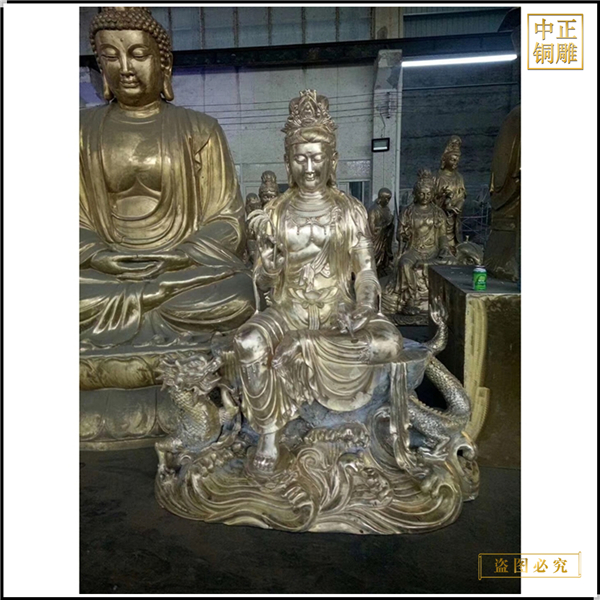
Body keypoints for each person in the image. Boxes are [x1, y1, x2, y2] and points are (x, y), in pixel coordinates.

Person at [233, 90, 403, 472]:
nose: (309, 168)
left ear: (333, 160)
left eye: (316, 158)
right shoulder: (274, 212)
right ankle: (270, 432)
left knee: (389, 342)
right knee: (247, 342)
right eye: (300, 158)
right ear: (287, 162)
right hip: (288, 311)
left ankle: (307, 347)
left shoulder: (351, 211)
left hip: (338, 314)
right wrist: (268, 261)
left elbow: (367, 272)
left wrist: (363, 308)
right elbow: (264, 284)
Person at [80, 7, 254, 348]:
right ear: (100, 66)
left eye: (138, 55)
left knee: (240, 294)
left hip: (180, 270)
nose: (125, 68)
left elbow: (229, 221)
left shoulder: (200, 129)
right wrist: (97, 255)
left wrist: (181, 255)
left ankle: (147, 308)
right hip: (105, 274)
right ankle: (152, 309)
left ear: (164, 63)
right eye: (111, 57)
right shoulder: (80, 131)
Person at [391, 170, 454, 315]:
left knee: (452, 262)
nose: (425, 197)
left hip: (433, 250)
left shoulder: (438, 213)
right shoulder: (408, 212)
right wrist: (403, 235)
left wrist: (444, 248)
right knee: (404, 264)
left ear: (432, 194)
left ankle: (443, 299)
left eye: (428, 194)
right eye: (421, 194)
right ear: (415, 194)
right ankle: (412, 299)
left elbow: (442, 235)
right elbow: (399, 234)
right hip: (414, 250)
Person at [434, 136, 466, 251]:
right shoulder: (437, 178)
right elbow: (431, 199)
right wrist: (443, 200)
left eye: (457, 160)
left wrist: (458, 206)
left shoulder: (459, 177)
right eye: (452, 160)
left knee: (453, 245)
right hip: (440, 217)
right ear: (445, 160)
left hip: (454, 218)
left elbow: (462, 195)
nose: (455, 163)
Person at [368, 187, 395, 276]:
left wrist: (390, 224)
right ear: (380, 198)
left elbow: (389, 220)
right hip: (377, 240)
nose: (387, 201)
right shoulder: (373, 210)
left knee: (385, 256)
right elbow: (372, 228)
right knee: (375, 257)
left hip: (385, 238)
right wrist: (385, 226)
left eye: (389, 199)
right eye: (386, 198)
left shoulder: (386, 209)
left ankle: (383, 268)